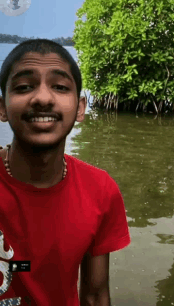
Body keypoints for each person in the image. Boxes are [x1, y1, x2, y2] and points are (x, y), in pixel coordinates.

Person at [0, 39, 131, 306]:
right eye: (24, 87)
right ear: (2, 107)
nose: (43, 98)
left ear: (80, 107)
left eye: (60, 87)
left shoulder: (100, 190)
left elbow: (95, 296)